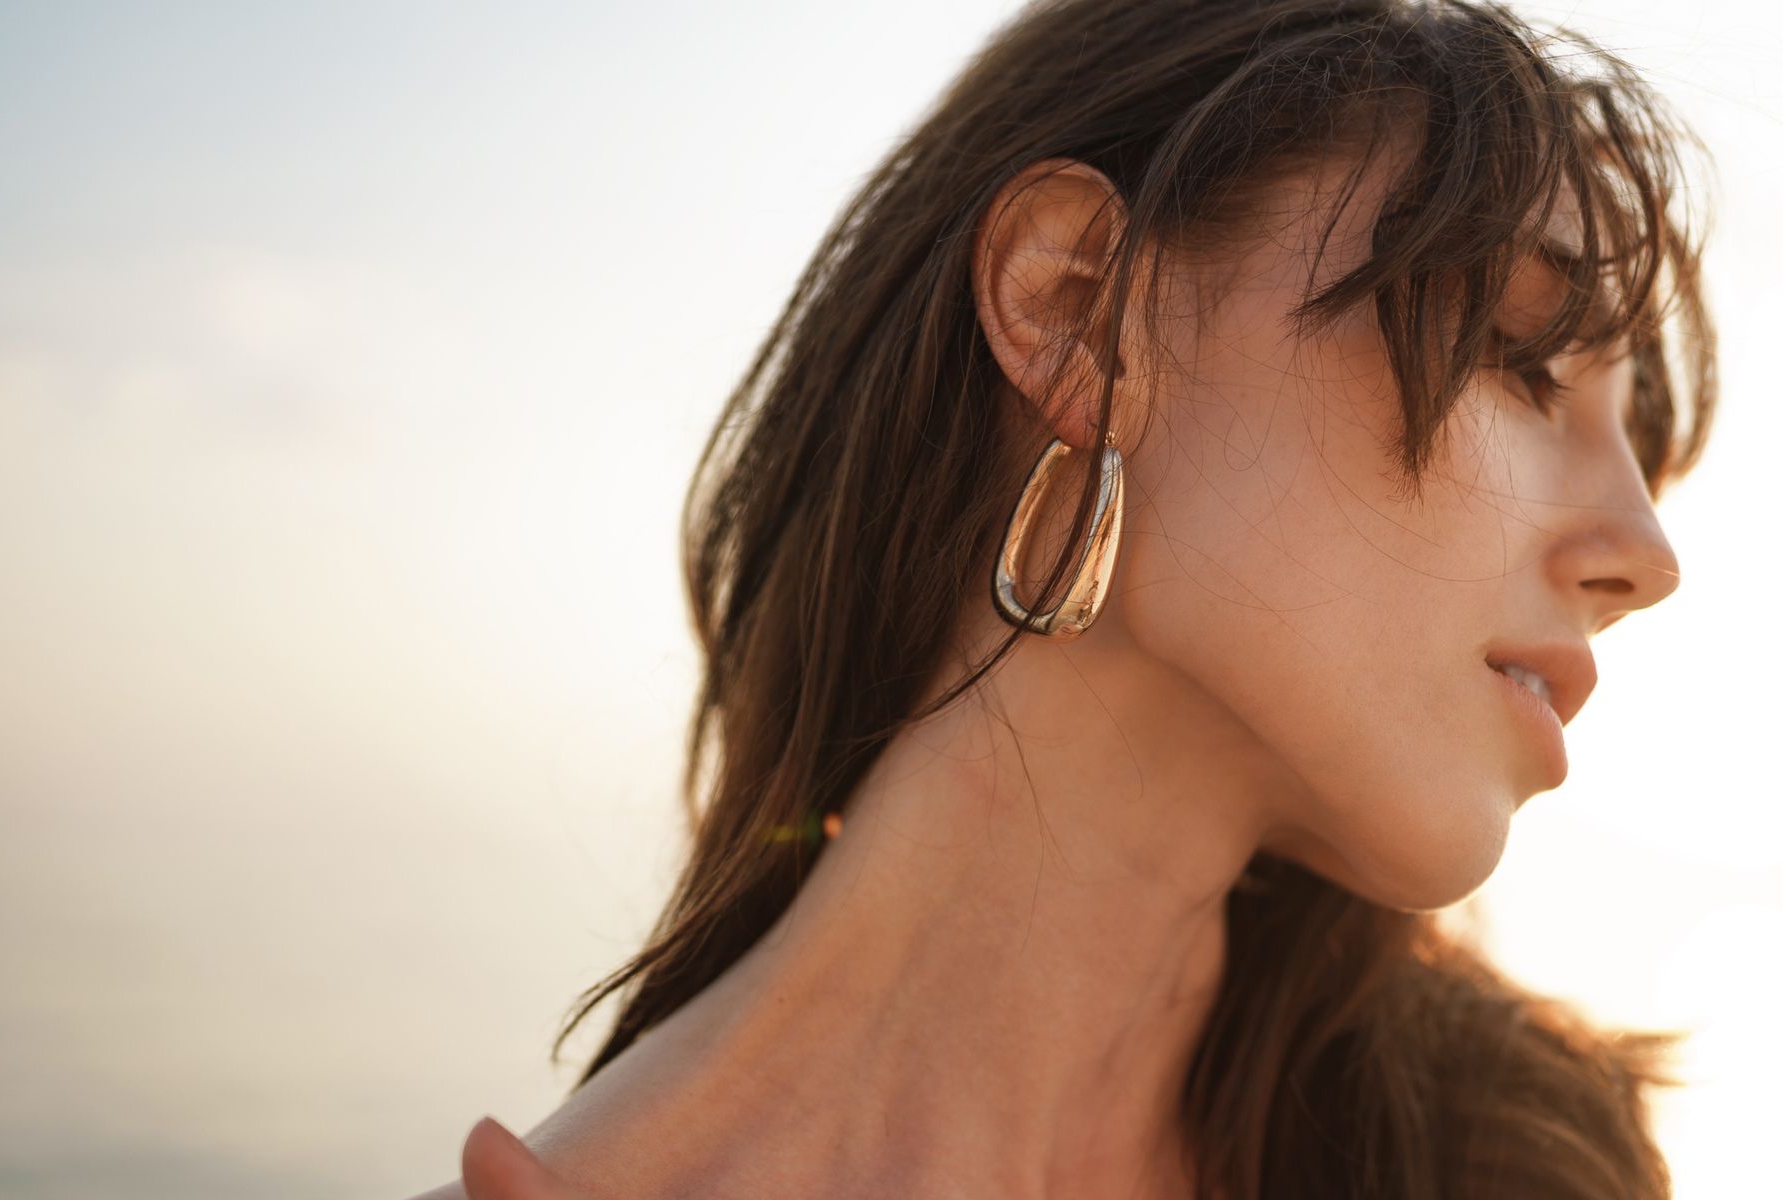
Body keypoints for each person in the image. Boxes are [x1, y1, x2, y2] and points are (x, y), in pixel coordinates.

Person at [411, 0, 1717, 1195]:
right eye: (1516, 356)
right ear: (1080, 311)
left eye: (1633, 436)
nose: (1644, 557)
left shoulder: (1518, 1157)